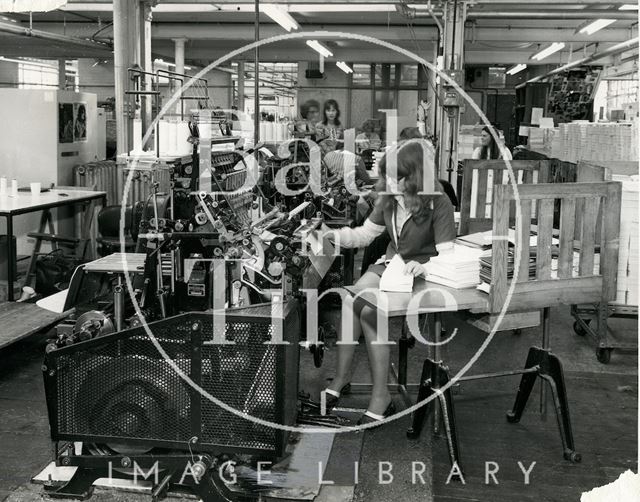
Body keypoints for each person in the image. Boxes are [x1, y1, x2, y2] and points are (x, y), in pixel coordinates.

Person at [325, 139, 456, 424]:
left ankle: (381, 396)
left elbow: (448, 255)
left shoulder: (438, 201)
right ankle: (341, 377)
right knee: (350, 300)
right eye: (388, 175)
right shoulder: (388, 198)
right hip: (392, 266)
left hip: (424, 273)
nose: (389, 182)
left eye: (398, 177)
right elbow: (363, 236)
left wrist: (424, 266)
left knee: (369, 309)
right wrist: (329, 236)